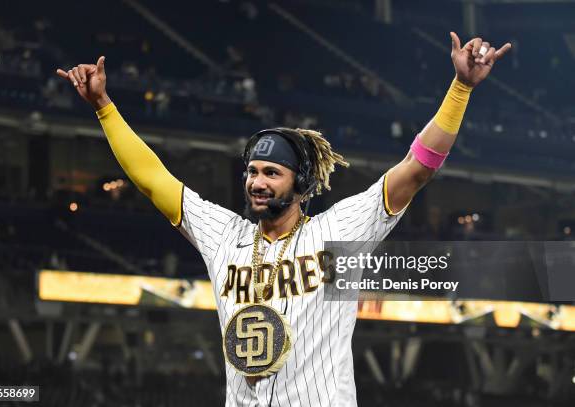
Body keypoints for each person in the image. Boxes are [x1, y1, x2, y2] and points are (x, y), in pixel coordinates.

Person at [56, 32, 510, 407]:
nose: (257, 181)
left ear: (302, 183)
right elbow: (152, 179)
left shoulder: (339, 232)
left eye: (272, 173)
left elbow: (418, 169)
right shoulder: (223, 236)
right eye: (252, 171)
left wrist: (460, 89)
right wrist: (104, 108)